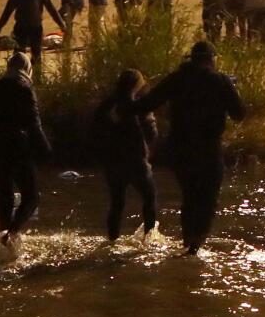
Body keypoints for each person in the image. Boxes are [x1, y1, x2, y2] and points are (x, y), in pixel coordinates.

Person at [137, 41, 245, 254]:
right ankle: (195, 248)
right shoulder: (220, 81)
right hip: (208, 148)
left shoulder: (177, 79)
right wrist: (230, 89)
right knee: (207, 198)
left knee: (189, 196)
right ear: (211, 59)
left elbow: (147, 103)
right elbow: (239, 114)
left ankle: (188, 243)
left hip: (180, 148)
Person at [0, 52, 52, 246]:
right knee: (31, 197)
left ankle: (3, 238)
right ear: (27, 68)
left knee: (4, 196)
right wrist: (47, 151)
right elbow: (34, 124)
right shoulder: (25, 89)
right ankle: (12, 234)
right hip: (17, 147)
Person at [91, 68, 158, 240]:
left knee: (116, 203)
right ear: (137, 85)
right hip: (136, 161)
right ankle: (148, 239)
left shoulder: (107, 105)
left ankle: (112, 239)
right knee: (149, 198)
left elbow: (95, 130)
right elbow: (151, 133)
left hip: (113, 162)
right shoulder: (139, 105)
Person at [0, 0, 63, 72]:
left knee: (31, 53)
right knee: (24, 53)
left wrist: (0, 25)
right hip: (25, 26)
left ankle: (33, 77)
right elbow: (9, 8)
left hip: (31, 26)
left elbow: (51, 8)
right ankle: (24, 76)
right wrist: (0, 25)